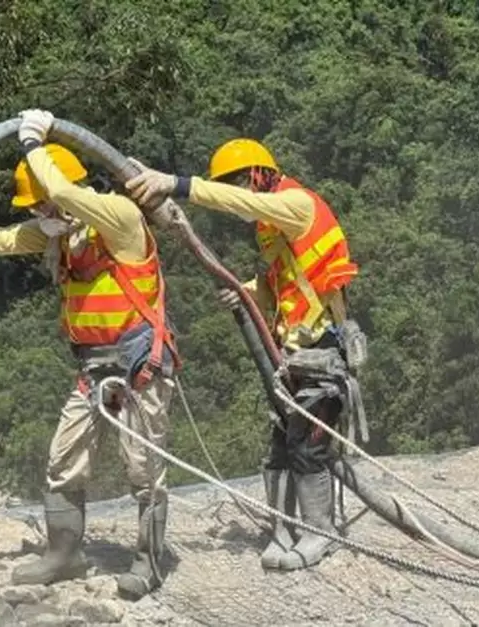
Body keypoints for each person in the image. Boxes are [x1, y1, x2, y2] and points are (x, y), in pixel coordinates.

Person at [0, 109, 181, 600]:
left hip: (138, 364)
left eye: (40, 204)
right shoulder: (62, 236)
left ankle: (148, 562)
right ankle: (65, 553)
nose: (37, 215)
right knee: (63, 461)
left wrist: (31, 143)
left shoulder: (119, 217)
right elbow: (2, 240)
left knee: (144, 469)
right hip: (92, 367)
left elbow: (66, 196)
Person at [124, 138, 363, 571]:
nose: (236, 195)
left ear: (258, 175)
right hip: (291, 350)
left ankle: (318, 533)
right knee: (279, 447)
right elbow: (279, 285)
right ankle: (283, 528)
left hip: (321, 350)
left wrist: (176, 184)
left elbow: (231, 199)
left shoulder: (297, 204)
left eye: (238, 182)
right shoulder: (271, 227)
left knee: (308, 448)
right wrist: (245, 293)